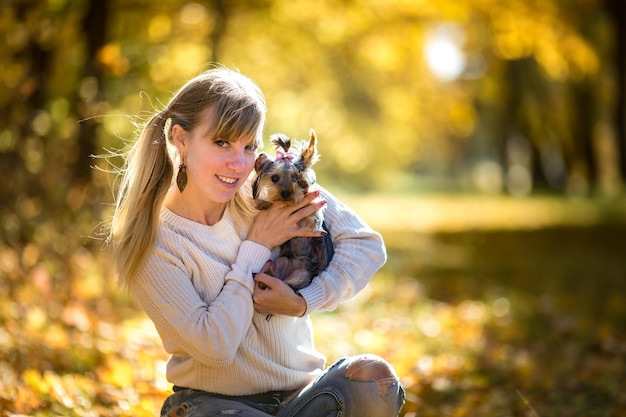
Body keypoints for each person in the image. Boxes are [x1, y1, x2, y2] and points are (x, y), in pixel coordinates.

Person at [108, 66, 405, 417]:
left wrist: (301, 302)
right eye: (222, 142)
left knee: (376, 381)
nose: (238, 163)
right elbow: (215, 347)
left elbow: (366, 245)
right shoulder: (153, 242)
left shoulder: (267, 187)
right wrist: (257, 244)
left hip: (303, 401)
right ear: (181, 139)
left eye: (249, 145)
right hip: (215, 407)